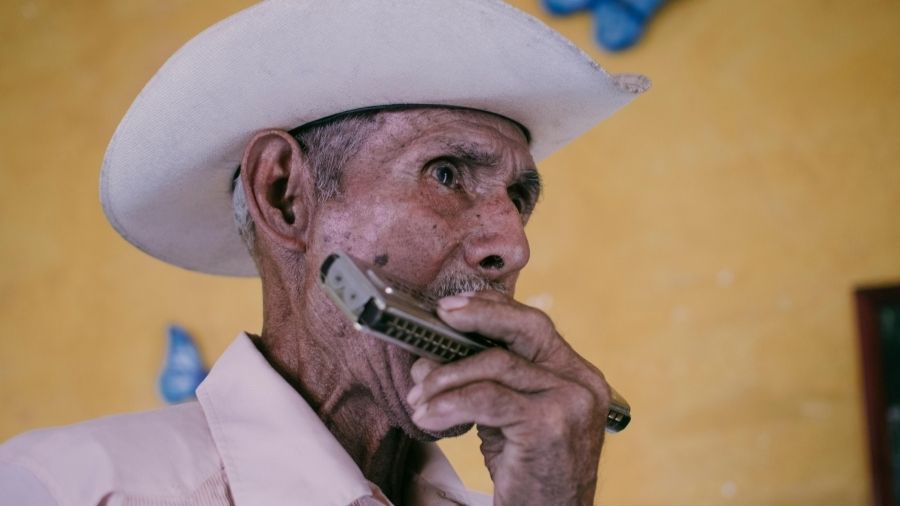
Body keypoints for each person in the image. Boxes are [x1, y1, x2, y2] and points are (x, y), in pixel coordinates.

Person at [0, 1, 648, 504]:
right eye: (446, 174)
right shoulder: (68, 489)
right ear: (284, 195)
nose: (512, 246)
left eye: (518, 197)